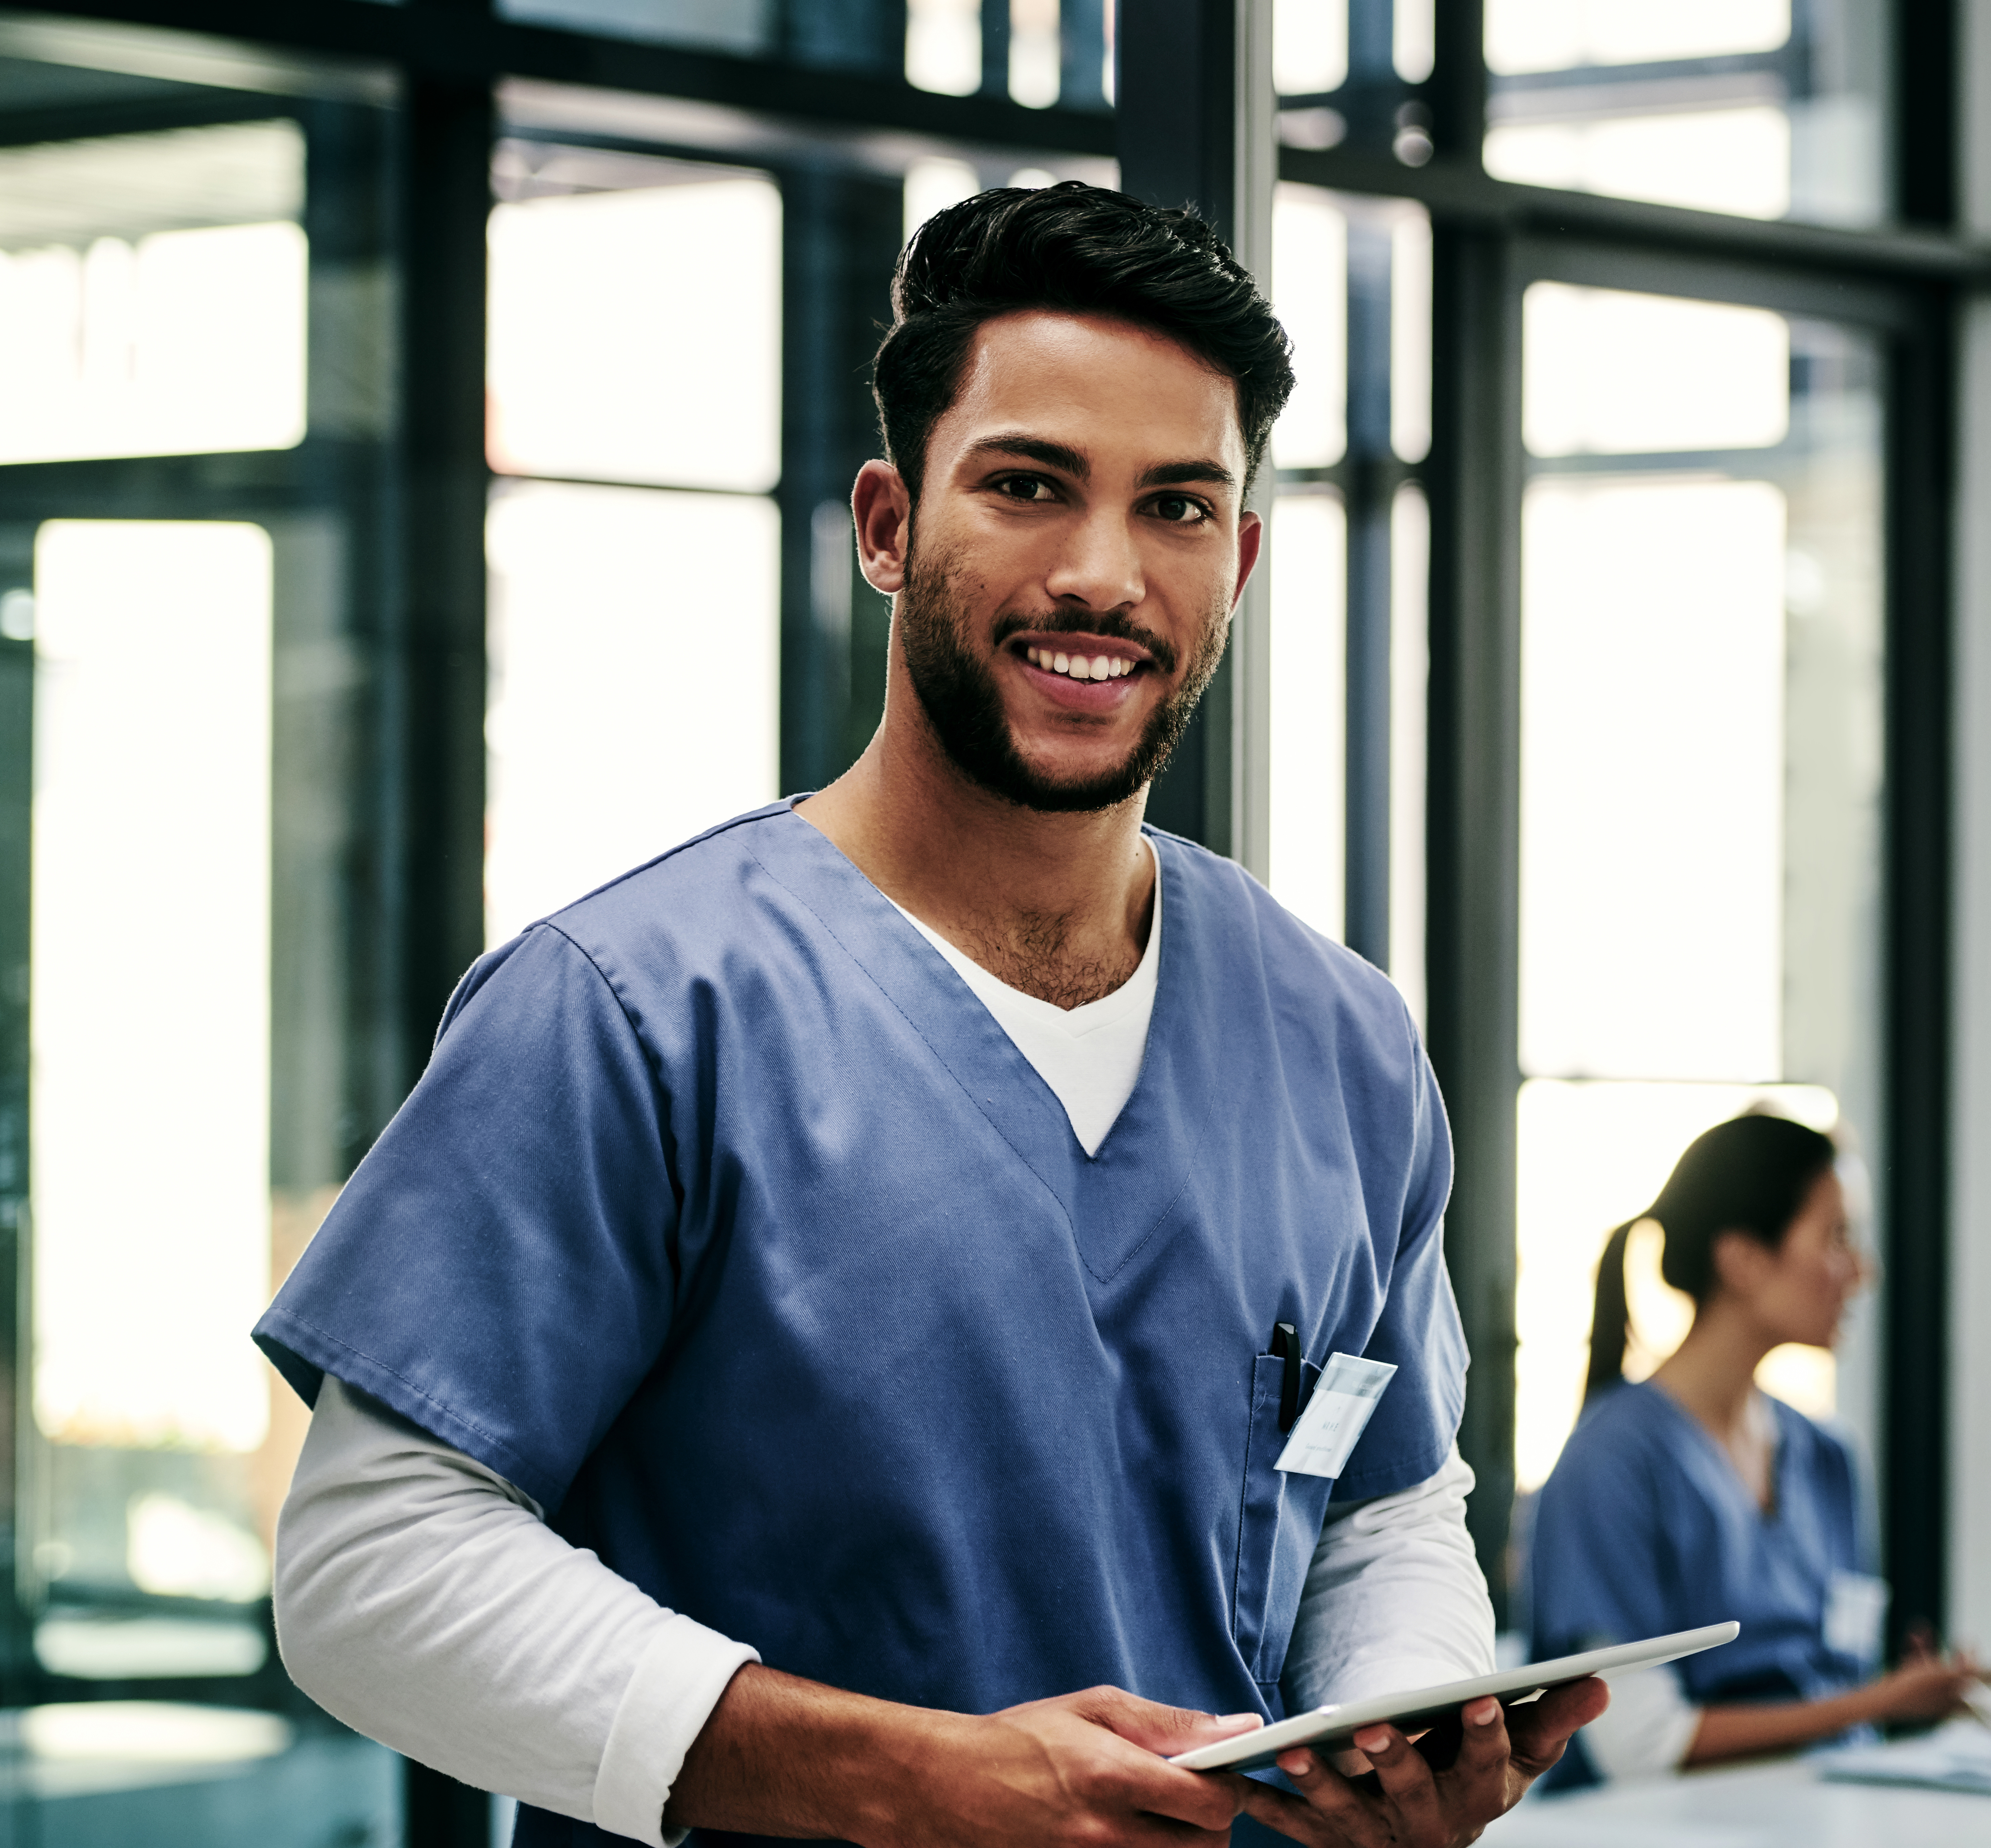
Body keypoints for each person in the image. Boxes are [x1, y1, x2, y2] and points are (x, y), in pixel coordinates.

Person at [257, 182, 1603, 1848]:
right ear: (888, 525)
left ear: (1239, 557)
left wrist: (1407, 1723)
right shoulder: (633, 1013)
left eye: (1176, 506)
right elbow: (370, 1564)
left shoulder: (1336, 1039)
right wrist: (913, 1780)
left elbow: (1382, 1506)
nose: (1103, 574)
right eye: (1030, 487)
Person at [1520, 1113, 1991, 1786]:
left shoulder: (1825, 1454)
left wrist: (1892, 1691)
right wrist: (1880, 1702)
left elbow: (1841, 1670)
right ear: (1743, 1257)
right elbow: (1639, 1742)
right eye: (1838, 1238)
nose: (1864, 1271)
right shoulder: (1611, 1462)